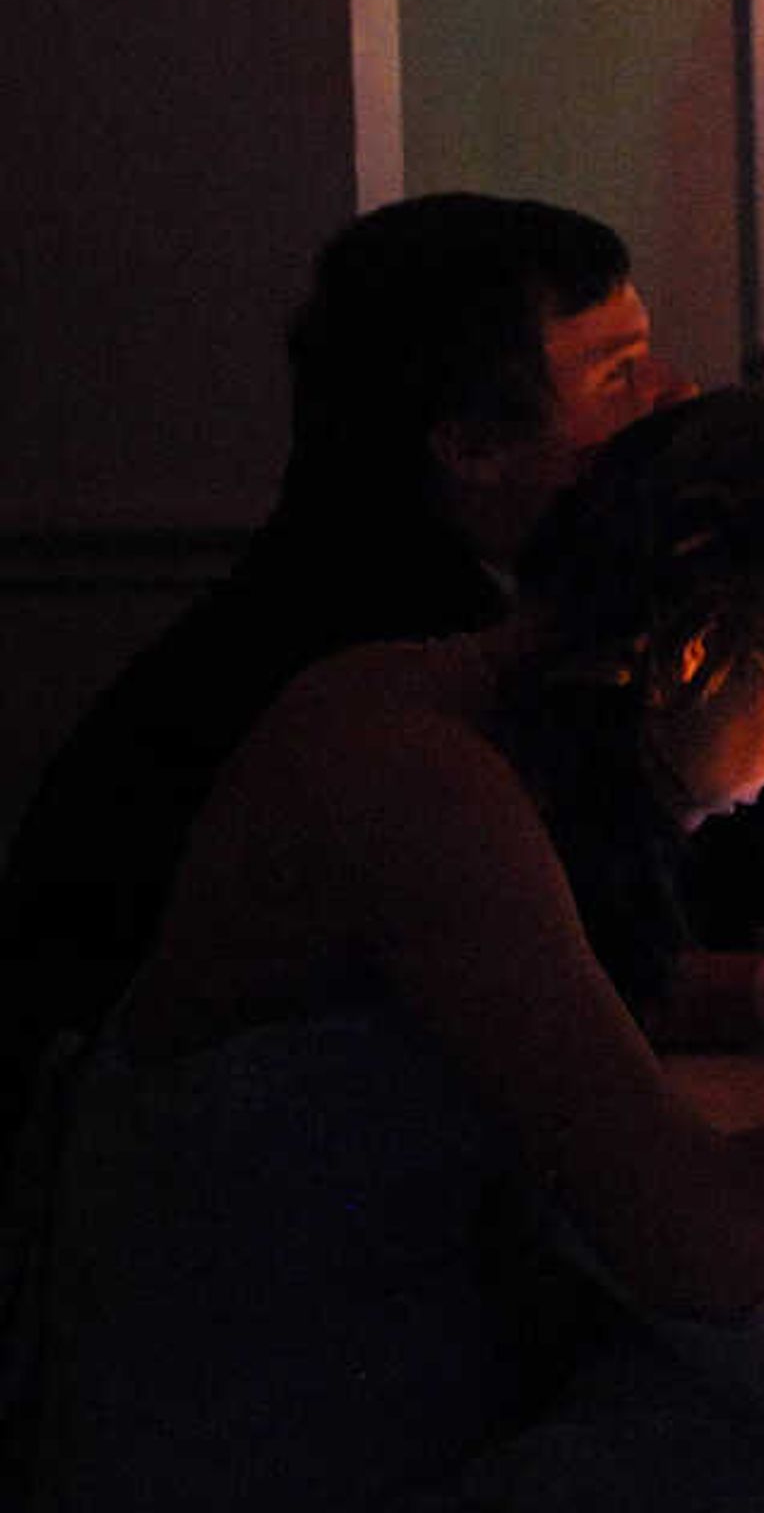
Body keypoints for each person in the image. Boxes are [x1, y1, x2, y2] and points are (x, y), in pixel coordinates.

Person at [18, 389, 764, 1512]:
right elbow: (699, 1242)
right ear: (695, 654)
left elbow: (523, 997)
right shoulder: (417, 783)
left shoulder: (475, 722)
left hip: (395, 1401)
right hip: (272, 1456)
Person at [0, 194, 687, 1131]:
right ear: (469, 446)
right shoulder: (403, 685)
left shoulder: (339, 600)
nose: (671, 397)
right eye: (619, 376)